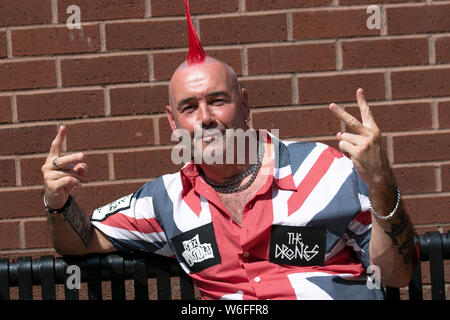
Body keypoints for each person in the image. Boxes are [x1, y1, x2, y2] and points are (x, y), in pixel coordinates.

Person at [41, 0, 416, 300]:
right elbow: (84, 239)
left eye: (218, 100)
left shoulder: (326, 170)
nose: (205, 118)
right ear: (173, 122)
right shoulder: (166, 200)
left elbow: (397, 275)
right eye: (190, 107)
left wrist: (381, 181)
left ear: (245, 105)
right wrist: (57, 204)